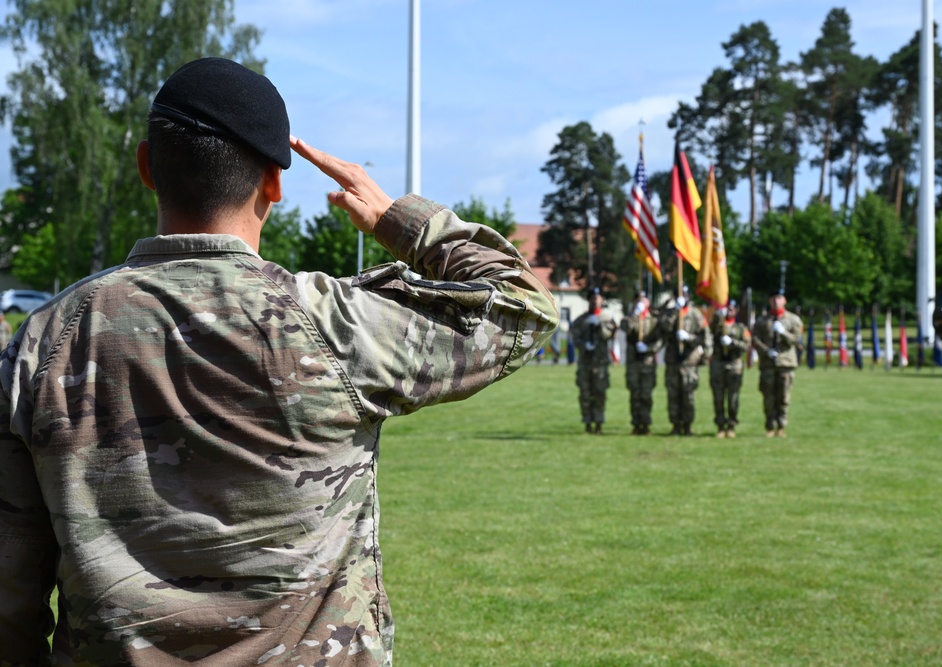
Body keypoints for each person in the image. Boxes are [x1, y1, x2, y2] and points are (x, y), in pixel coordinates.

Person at [0, 57, 557, 667]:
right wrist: (401, 223)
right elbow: (524, 308)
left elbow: (11, 586)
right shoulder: (334, 324)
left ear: (145, 168)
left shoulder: (43, 342)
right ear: (274, 183)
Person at [751, 288, 803, 437]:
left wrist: (783, 332)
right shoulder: (762, 320)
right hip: (768, 363)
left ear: (784, 300)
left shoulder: (793, 320)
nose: (776, 301)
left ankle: (781, 426)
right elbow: (755, 339)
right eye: (773, 298)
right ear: (769, 301)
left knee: (783, 397)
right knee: (768, 396)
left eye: (779, 298)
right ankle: (769, 426)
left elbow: (797, 340)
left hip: (785, 363)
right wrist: (766, 350)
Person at [660, 286, 711, 435]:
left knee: (688, 395)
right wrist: (675, 312)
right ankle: (675, 425)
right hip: (673, 360)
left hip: (689, 361)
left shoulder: (696, 314)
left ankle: (687, 425)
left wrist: (688, 338)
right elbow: (664, 328)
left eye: (685, 295)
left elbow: (704, 336)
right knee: (673, 395)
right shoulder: (670, 313)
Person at [570, 287, 616, 433]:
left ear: (601, 300)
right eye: (592, 298)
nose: (595, 300)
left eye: (598, 298)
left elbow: (608, 335)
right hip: (585, 362)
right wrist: (584, 345)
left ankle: (599, 423)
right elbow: (575, 339)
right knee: (585, 393)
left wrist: (599, 325)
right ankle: (587, 422)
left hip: (600, 362)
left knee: (599, 393)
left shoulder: (607, 319)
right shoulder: (580, 320)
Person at [620, 291, 665, 435]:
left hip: (647, 362)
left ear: (649, 303)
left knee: (646, 395)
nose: (641, 302)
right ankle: (635, 424)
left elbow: (660, 340)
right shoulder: (630, 317)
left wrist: (649, 348)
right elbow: (625, 328)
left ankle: (645, 424)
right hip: (633, 363)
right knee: (634, 395)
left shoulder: (654, 320)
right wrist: (635, 314)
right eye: (638, 300)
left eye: (644, 300)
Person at [709, 299, 751, 438]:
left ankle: (731, 425)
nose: (729, 311)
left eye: (732, 309)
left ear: (736, 311)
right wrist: (717, 316)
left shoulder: (740, 327)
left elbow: (746, 346)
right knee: (718, 397)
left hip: (734, 364)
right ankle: (720, 426)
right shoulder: (718, 325)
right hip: (718, 364)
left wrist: (732, 342)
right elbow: (709, 330)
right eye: (727, 309)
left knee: (733, 398)